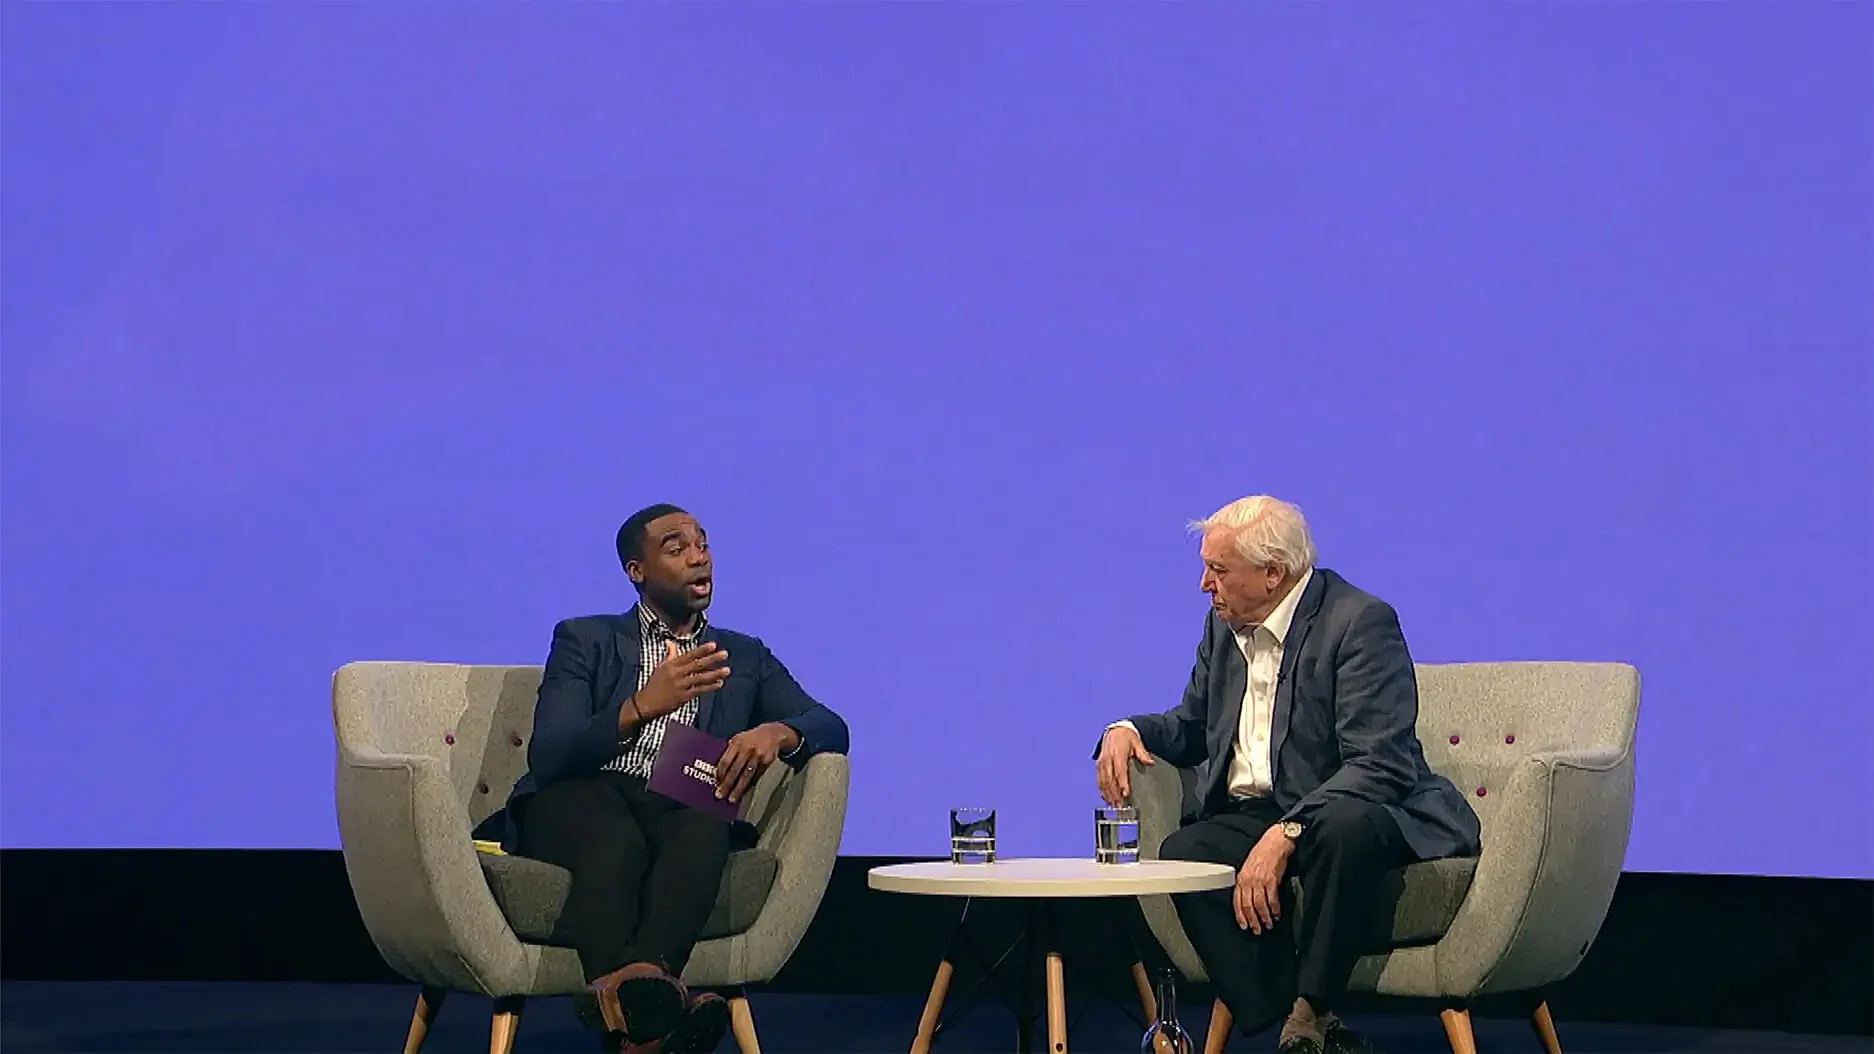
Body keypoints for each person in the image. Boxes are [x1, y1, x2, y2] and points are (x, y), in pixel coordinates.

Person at [1095, 496, 1479, 1054]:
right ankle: (1297, 1021)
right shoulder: (1224, 625)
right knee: (1187, 851)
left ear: (1273, 573)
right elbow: (1195, 726)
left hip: (1366, 806)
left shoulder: (1358, 622)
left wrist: (1288, 831)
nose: (1205, 584)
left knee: (1342, 828)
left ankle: (1312, 1010)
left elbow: (1379, 762)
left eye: (1219, 570)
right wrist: (1128, 728)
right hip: (1264, 810)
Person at [497, 504, 849, 1053]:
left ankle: (640, 998)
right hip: (584, 793)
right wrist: (640, 705)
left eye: (703, 543)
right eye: (676, 546)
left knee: (709, 819)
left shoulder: (744, 655)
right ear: (637, 571)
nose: (699, 555)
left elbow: (829, 724)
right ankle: (662, 1014)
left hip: (680, 792)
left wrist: (778, 732)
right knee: (615, 840)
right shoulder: (585, 638)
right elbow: (552, 754)